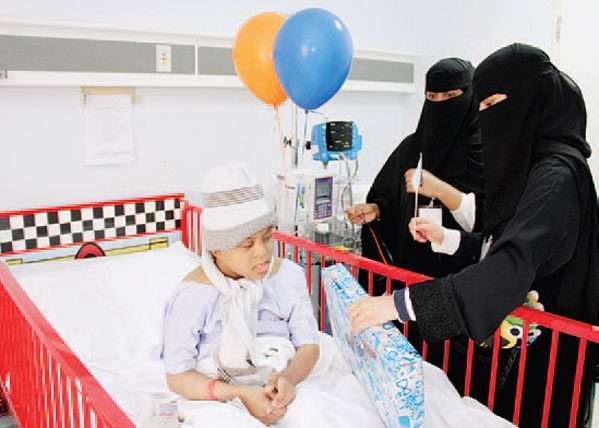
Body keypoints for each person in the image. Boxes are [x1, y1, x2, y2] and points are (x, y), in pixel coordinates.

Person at [348, 43, 599, 427]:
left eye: (492, 104)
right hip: (517, 345)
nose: (485, 118)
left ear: (533, 101)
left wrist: (399, 305)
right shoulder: (535, 169)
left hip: (545, 363)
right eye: (479, 107)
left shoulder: (556, 176)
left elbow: (511, 264)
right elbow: (501, 241)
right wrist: (448, 239)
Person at [161, 163, 385, 428]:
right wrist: (241, 394)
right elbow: (178, 376)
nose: (262, 252)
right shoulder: (192, 296)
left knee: (320, 415)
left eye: (267, 238)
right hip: (218, 392)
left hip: (281, 380)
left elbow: (308, 345)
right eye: (247, 244)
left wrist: (287, 379)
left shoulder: (287, 276)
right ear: (217, 250)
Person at [346, 57, 484, 295]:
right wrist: (377, 209)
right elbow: (389, 194)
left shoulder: (484, 151)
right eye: (432, 97)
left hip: (462, 283)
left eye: (450, 96)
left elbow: (487, 220)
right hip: (411, 274)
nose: (440, 103)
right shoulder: (411, 148)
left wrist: (439, 189)